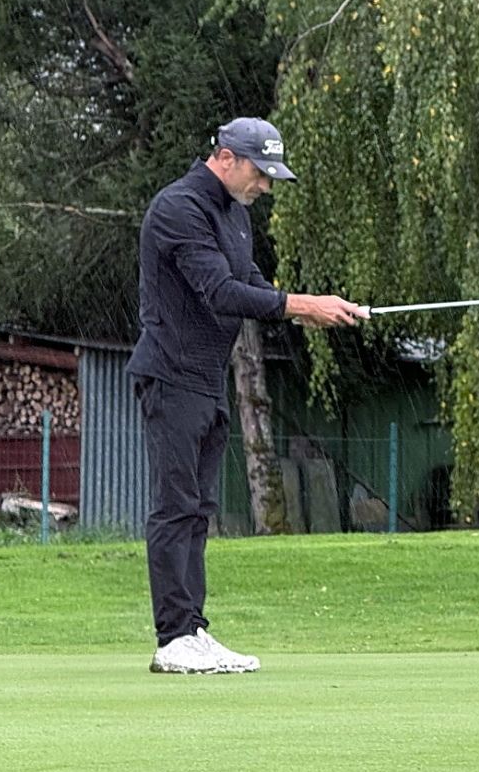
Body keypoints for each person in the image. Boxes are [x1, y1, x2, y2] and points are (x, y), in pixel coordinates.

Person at [127, 117, 364, 675]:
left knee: (199, 509)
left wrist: (308, 313)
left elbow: (250, 282)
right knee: (176, 505)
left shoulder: (234, 214)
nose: (266, 185)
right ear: (227, 158)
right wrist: (300, 304)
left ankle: (192, 629)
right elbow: (219, 291)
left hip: (208, 377)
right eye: (261, 173)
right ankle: (172, 637)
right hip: (171, 374)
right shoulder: (179, 208)